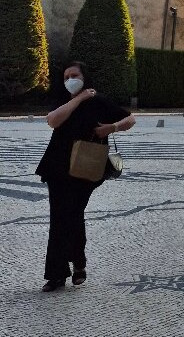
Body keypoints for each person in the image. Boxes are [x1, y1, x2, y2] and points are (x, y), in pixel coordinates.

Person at [35, 61, 135, 292]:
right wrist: (78, 99)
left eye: (75, 75)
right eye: (66, 76)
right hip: (58, 167)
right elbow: (53, 121)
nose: (70, 79)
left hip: (86, 168)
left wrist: (112, 128)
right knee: (60, 218)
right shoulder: (64, 100)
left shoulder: (99, 101)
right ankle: (58, 273)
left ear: (84, 76)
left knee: (73, 214)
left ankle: (77, 262)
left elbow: (130, 119)